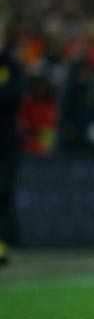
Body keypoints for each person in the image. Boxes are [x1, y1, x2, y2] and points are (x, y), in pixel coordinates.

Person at [0, 23, 26, 266]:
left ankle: (3, 244)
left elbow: (16, 95)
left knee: (4, 191)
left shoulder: (10, 65)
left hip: (5, 139)